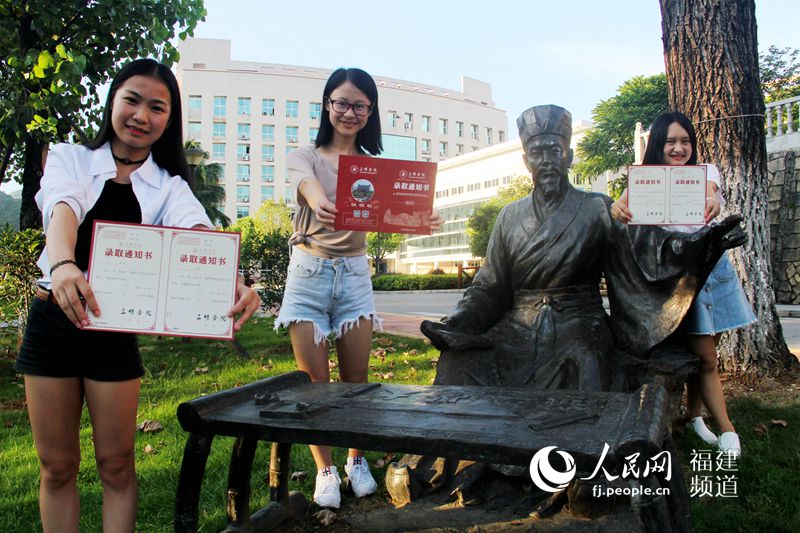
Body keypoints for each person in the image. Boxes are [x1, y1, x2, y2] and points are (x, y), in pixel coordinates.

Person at [14, 58, 260, 532]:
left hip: (113, 327)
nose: (141, 115)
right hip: (52, 321)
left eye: (157, 107)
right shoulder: (70, 158)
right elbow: (63, 206)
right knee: (57, 466)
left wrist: (231, 280)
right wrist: (63, 265)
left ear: (169, 120)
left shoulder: (169, 186)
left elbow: (195, 230)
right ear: (113, 101)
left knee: (116, 464)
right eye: (132, 100)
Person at [275, 67, 442, 509]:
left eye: (360, 106)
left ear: (371, 112)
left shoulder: (374, 168)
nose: (349, 113)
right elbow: (306, 184)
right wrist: (318, 201)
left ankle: (356, 460)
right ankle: (324, 469)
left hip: (353, 277)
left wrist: (422, 219)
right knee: (315, 383)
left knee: (356, 379)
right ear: (327, 105)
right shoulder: (305, 155)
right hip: (308, 273)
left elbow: (397, 210)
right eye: (342, 103)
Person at [610, 112, 755, 458]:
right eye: (671, 141)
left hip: (713, 273)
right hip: (678, 280)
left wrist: (713, 202)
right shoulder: (644, 181)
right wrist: (617, 209)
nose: (679, 148)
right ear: (657, 144)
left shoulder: (705, 173)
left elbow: (711, 194)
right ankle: (727, 428)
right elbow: (620, 209)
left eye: (685, 141)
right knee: (705, 356)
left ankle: (694, 416)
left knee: (706, 357)